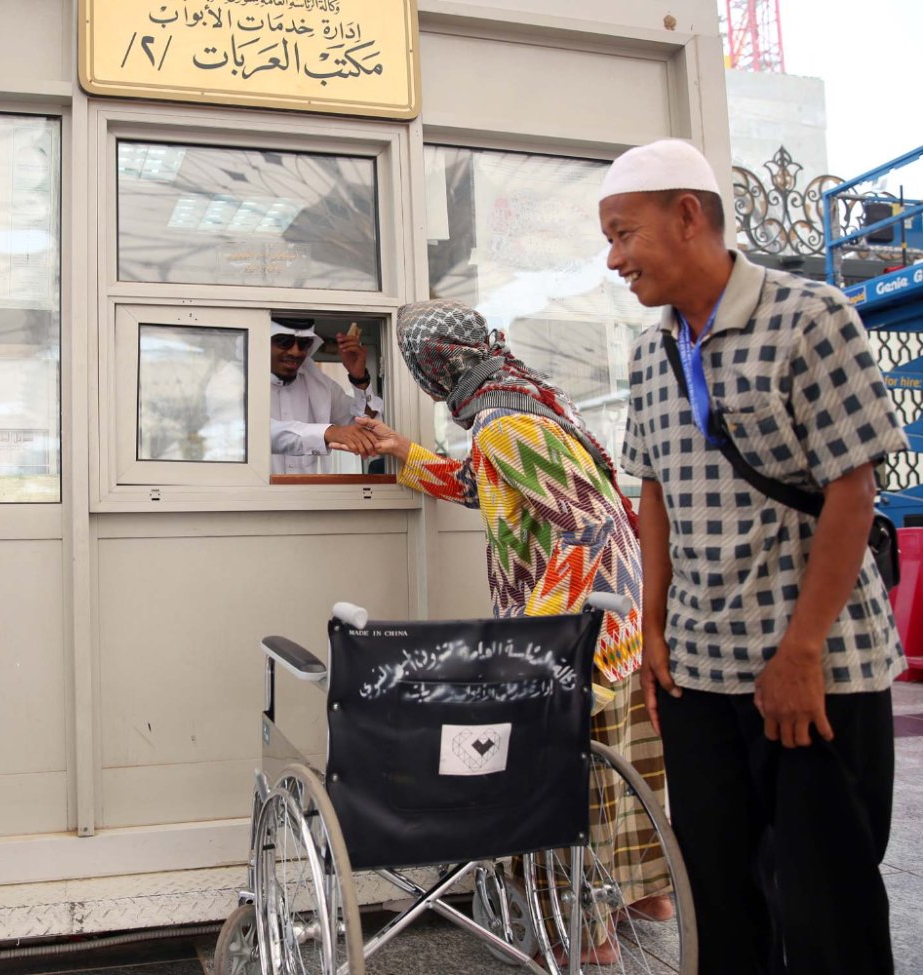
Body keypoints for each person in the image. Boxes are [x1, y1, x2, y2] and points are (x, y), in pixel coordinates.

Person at [603, 138, 906, 974]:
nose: (614, 258)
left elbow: (853, 486)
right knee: (720, 904)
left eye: (625, 233)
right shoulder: (650, 352)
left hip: (816, 671)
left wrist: (801, 651)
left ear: (688, 216)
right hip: (699, 673)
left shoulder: (812, 316)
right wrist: (652, 626)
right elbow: (654, 489)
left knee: (827, 907)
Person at [353, 299, 671, 962]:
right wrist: (399, 452)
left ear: (431, 373)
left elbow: (585, 526)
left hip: (580, 625)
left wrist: (534, 635)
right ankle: (648, 896)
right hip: (620, 614)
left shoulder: (500, 422)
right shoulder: (526, 396)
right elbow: (482, 486)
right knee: (622, 766)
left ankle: (587, 935)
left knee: (556, 775)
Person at [270, 317, 383, 474]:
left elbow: (368, 429)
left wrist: (359, 378)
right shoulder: (235, 381)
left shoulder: (321, 385)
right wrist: (328, 432)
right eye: (283, 341)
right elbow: (257, 433)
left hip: (308, 496)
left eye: (303, 343)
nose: (295, 351)